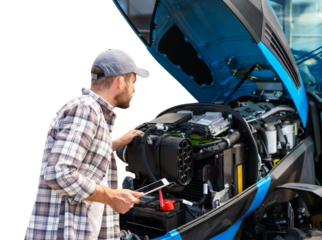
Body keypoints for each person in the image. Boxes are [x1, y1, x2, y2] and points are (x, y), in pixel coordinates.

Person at [24, 48, 152, 240]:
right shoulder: (86, 109)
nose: (135, 89)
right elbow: (59, 173)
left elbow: (82, 155)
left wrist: (116, 143)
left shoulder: (90, 111)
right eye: (134, 82)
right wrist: (112, 197)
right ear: (120, 81)